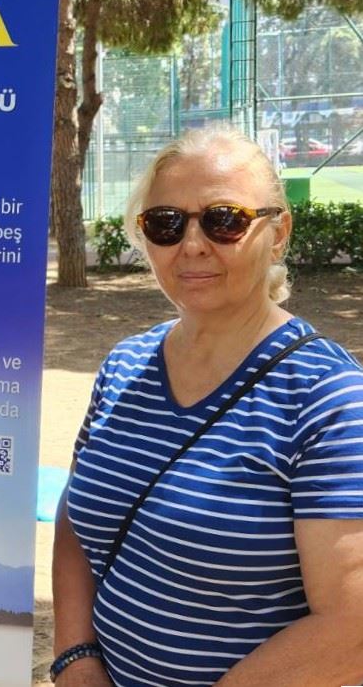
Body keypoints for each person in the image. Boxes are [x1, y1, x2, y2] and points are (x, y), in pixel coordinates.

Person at [51, 126, 363, 686]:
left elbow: (351, 629)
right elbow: (77, 515)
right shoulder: (125, 365)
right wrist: (75, 658)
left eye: (224, 220)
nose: (192, 244)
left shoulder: (329, 398)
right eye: (166, 223)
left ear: (278, 232)